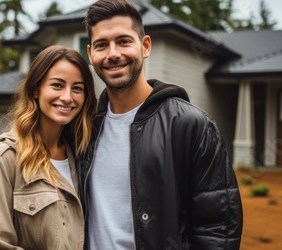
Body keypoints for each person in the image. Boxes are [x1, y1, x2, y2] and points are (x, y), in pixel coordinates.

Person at [77, 0, 243, 249]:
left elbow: (218, 228)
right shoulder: (83, 128)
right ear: (91, 54)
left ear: (145, 46)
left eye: (123, 41)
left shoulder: (192, 126)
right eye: (102, 45)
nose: (113, 54)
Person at [0, 45, 97, 249]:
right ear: (36, 89)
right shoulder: (1, 159)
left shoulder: (82, 157)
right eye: (57, 85)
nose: (67, 97)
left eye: (77, 88)